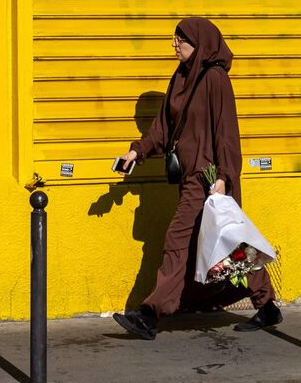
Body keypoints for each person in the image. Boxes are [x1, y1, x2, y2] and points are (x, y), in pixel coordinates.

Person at [112, 17, 282, 340]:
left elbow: (227, 134)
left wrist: (225, 178)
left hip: (209, 179)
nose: (174, 45)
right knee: (232, 244)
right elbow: (163, 128)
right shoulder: (180, 78)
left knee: (178, 239)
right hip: (190, 179)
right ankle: (267, 304)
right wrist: (137, 152)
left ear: (199, 43)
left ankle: (151, 314)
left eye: (181, 40)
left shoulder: (215, 79)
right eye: (174, 39)